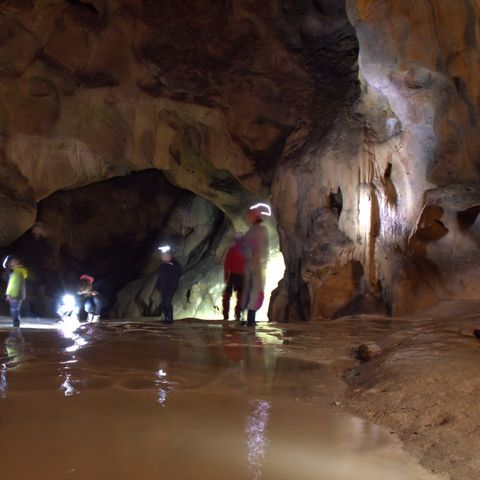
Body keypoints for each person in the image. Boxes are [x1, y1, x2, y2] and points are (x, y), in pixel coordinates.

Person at [242, 205, 269, 327]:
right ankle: (249, 318)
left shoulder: (257, 231)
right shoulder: (256, 230)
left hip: (254, 262)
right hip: (253, 263)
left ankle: (249, 318)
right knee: (252, 289)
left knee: (252, 289)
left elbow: (250, 247)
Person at [222, 233, 247, 322]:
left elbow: (227, 264)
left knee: (227, 296)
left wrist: (226, 276)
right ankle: (237, 314)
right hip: (242, 276)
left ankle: (226, 315)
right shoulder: (245, 251)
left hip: (233, 275)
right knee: (240, 297)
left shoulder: (232, 250)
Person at [155, 247, 181, 324]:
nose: (162, 258)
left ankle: (169, 320)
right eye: (162, 256)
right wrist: (157, 286)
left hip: (170, 288)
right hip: (163, 288)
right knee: (164, 303)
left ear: (169, 256)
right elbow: (160, 277)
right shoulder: (163, 265)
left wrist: (171, 287)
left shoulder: (175, 265)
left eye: (164, 256)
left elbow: (175, 278)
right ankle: (166, 318)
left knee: (167, 303)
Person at [4, 256, 29, 327]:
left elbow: (12, 284)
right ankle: (16, 324)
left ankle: (16, 325)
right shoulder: (19, 271)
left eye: (12, 262)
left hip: (15, 295)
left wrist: (8, 295)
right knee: (15, 309)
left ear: (17, 262)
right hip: (19, 295)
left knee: (14, 310)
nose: (11, 263)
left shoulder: (16, 272)